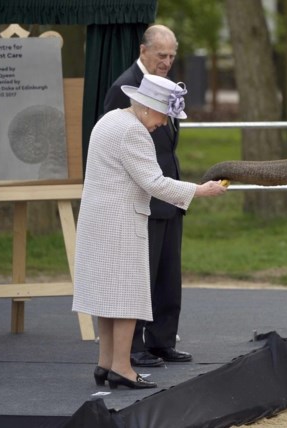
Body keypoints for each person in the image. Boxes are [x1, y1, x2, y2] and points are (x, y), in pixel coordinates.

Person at [73, 74, 227, 389]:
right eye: (163, 115)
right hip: (120, 222)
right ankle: (122, 368)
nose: (163, 123)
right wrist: (201, 190)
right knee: (128, 296)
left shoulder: (110, 120)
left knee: (107, 295)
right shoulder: (134, 132)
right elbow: (154, 182)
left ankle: (105, 364)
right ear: (146, 107)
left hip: (97, 220)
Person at [103, 25, 191, 367]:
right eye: (161, 56)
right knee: (141, 274)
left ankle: (162, 340)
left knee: (168, 273)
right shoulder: (122, 88)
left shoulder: (164, 85)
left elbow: (166, 143)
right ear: (143, 51)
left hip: (168, 193)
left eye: (172, 56)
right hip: (141, 196)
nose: (167, 62)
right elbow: (114, 141)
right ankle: (134, 347)